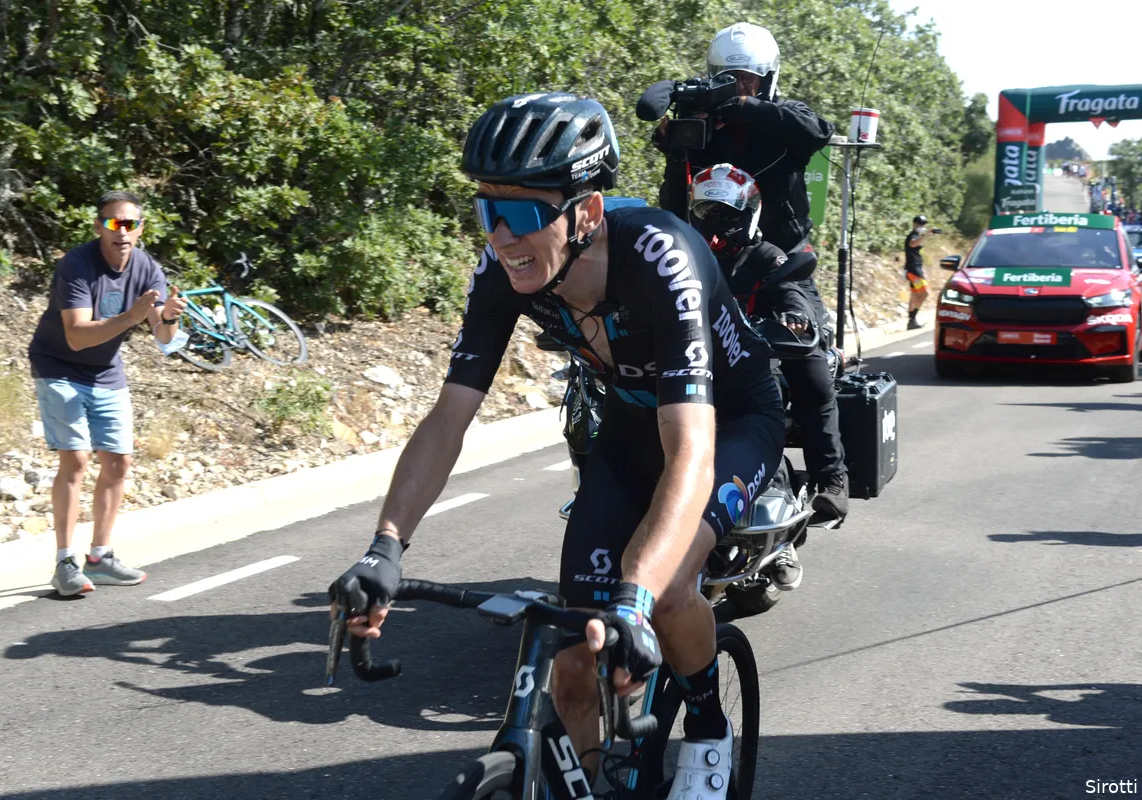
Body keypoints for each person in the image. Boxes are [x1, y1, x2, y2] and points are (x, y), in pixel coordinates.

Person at [331, 93, 785, 795]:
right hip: (632, 430)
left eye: (519, 215)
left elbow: (691, 447)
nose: (501, 238)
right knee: (573, 664)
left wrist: (634, 598)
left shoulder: (662, 257)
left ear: (588, 214)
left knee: (662, 593)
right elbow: (448, 417)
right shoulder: (505, 272)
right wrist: (383, 548)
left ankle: (706, 731)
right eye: (487, 213)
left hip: (730, 422)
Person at [28, 190, 188, 596]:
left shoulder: (149, 267)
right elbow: (77, 337)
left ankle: (99, 557)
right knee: (77, 459)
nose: (122, 232)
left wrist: (166, 317)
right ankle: (65, 562)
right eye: (114, 223)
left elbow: (164, 338)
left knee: (118, 462)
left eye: (130, 224)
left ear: (140, 228)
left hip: (105, 371)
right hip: (59, 364)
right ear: (99, 226)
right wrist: (130, 317)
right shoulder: (77, 265)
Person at [688, 164, 849, 520]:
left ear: (748, 214)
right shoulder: (685, 256)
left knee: (813, 380)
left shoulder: (765, 255)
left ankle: (832, 480)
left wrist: (796, 316)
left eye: (726, 214)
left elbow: (792, 287)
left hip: (761, 349)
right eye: (706, 213)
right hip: (699, 351)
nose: (716, 223)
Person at [651, 21, 834, 254]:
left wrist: (749, 108)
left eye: (748, 78)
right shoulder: (702, 126)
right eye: (729, 78)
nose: (739, 86)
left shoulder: (784, 115)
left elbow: (819, 132)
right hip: (714, 253)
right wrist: (675, 155)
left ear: (766, 79)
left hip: (783, 253)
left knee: (796, 293)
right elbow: (676, 208)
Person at [905, 214, 933, 330]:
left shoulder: (917, 236)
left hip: (916, 268)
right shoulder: (912, 236)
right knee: (925, 293)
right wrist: (926, 236)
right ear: (914, 224)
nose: (922, 226)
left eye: (923, 224)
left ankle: (911, 321)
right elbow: (912, 243)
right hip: (913, 270)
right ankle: (913, 318)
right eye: (920, 224)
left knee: (914, 295)